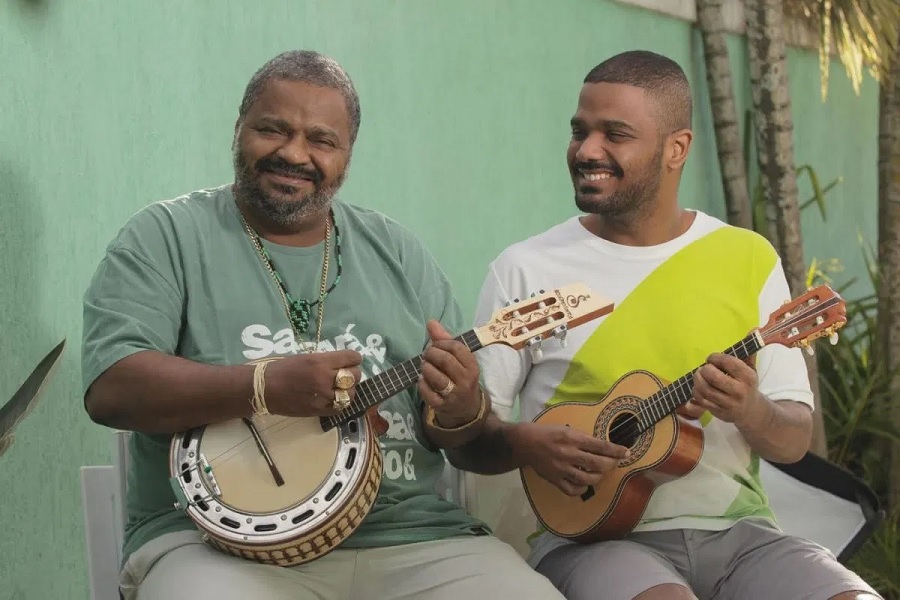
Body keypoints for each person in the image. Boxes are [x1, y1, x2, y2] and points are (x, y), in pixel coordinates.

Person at [81, 49, 565, 600]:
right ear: (240, 128)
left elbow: (467, 447)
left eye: (321, 140)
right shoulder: (165, 236)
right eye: (273, 129)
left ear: (347, 155)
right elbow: (111, 389)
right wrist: (264, 387)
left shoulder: (398, 252)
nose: (294, 153)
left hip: (412, 541)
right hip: (216, 548)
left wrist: (460, 410)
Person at [445, 50, 881, 600]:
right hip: (590, 541)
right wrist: (531, 445)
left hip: (741, 536)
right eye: (579, 131)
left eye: (615, 134)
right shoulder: (524, 268)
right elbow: (472, 446)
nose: (587, 151)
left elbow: (792, 442)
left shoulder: (747, 258)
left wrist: (751, 409)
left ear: (677, 149)